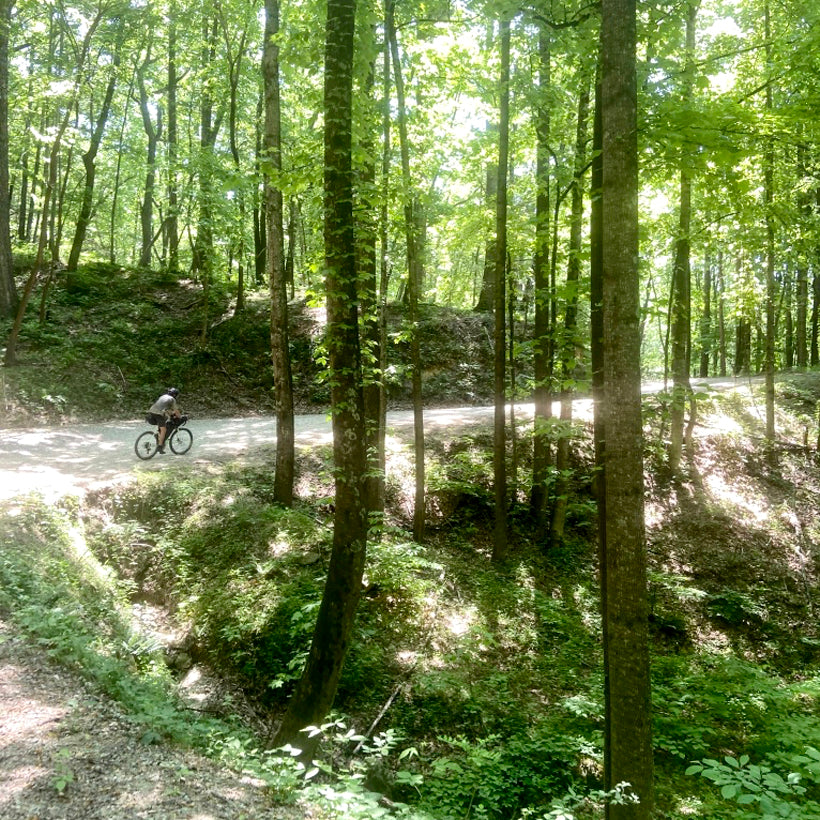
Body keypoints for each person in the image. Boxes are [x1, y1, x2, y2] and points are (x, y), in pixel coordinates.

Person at [146, 388, 181, 454]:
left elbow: (165, 409)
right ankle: (160, 446)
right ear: (175, 395)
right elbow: (176, 411)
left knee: (164, 419)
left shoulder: (163, 396)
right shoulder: (172, 399)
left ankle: (158, 436)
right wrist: (180, 417)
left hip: (151, 411)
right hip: (158, 414)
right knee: (164, 430)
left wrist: (170, 414)